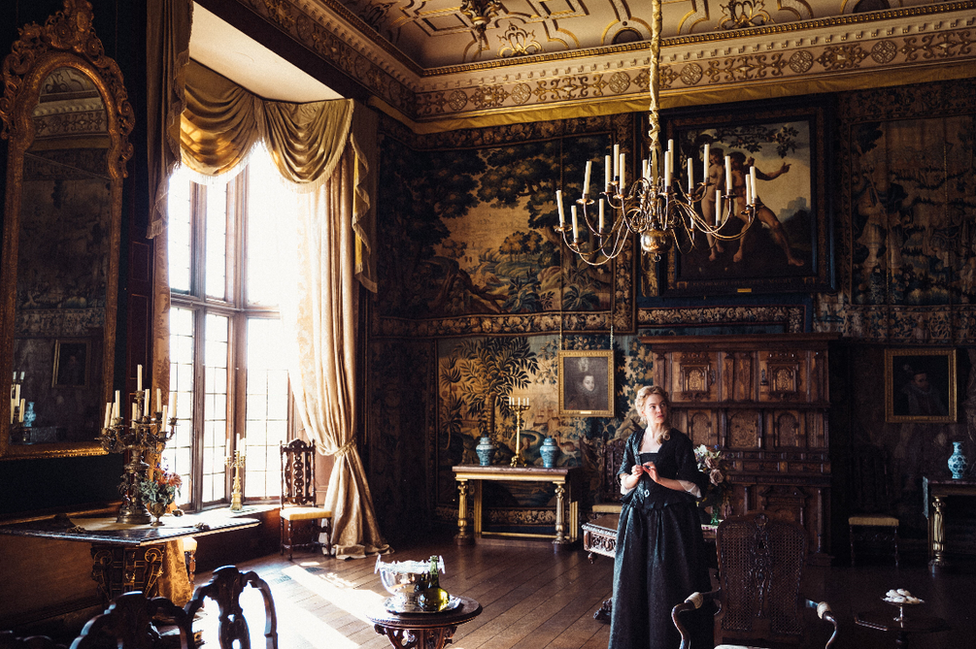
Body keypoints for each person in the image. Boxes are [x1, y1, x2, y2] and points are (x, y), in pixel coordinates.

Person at [608, 386, 713, 649]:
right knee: (632, 585)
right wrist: (634, 475)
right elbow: (624, 482)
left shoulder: (678, 441)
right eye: (653, 406)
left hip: (669, 521)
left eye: (663, 405)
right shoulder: (634, 440)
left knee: (665, 585)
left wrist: (660, 479)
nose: (660, 410)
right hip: (637, 521)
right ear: (642, 411)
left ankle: (666, 642)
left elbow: (692, 485)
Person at [728, 151, 805, 267]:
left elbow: (766, 176)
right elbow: (727, 197)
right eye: (731, 163)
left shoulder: (750, 169)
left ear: (741, 160)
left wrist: (780, 171)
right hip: (742, 206)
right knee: (749, 222)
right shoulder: (730, 177)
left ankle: (790, 257)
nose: (733, 165)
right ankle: (740, 250)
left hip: (757, 205)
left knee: (776, 225)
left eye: (735, 162)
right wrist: (730, 212)